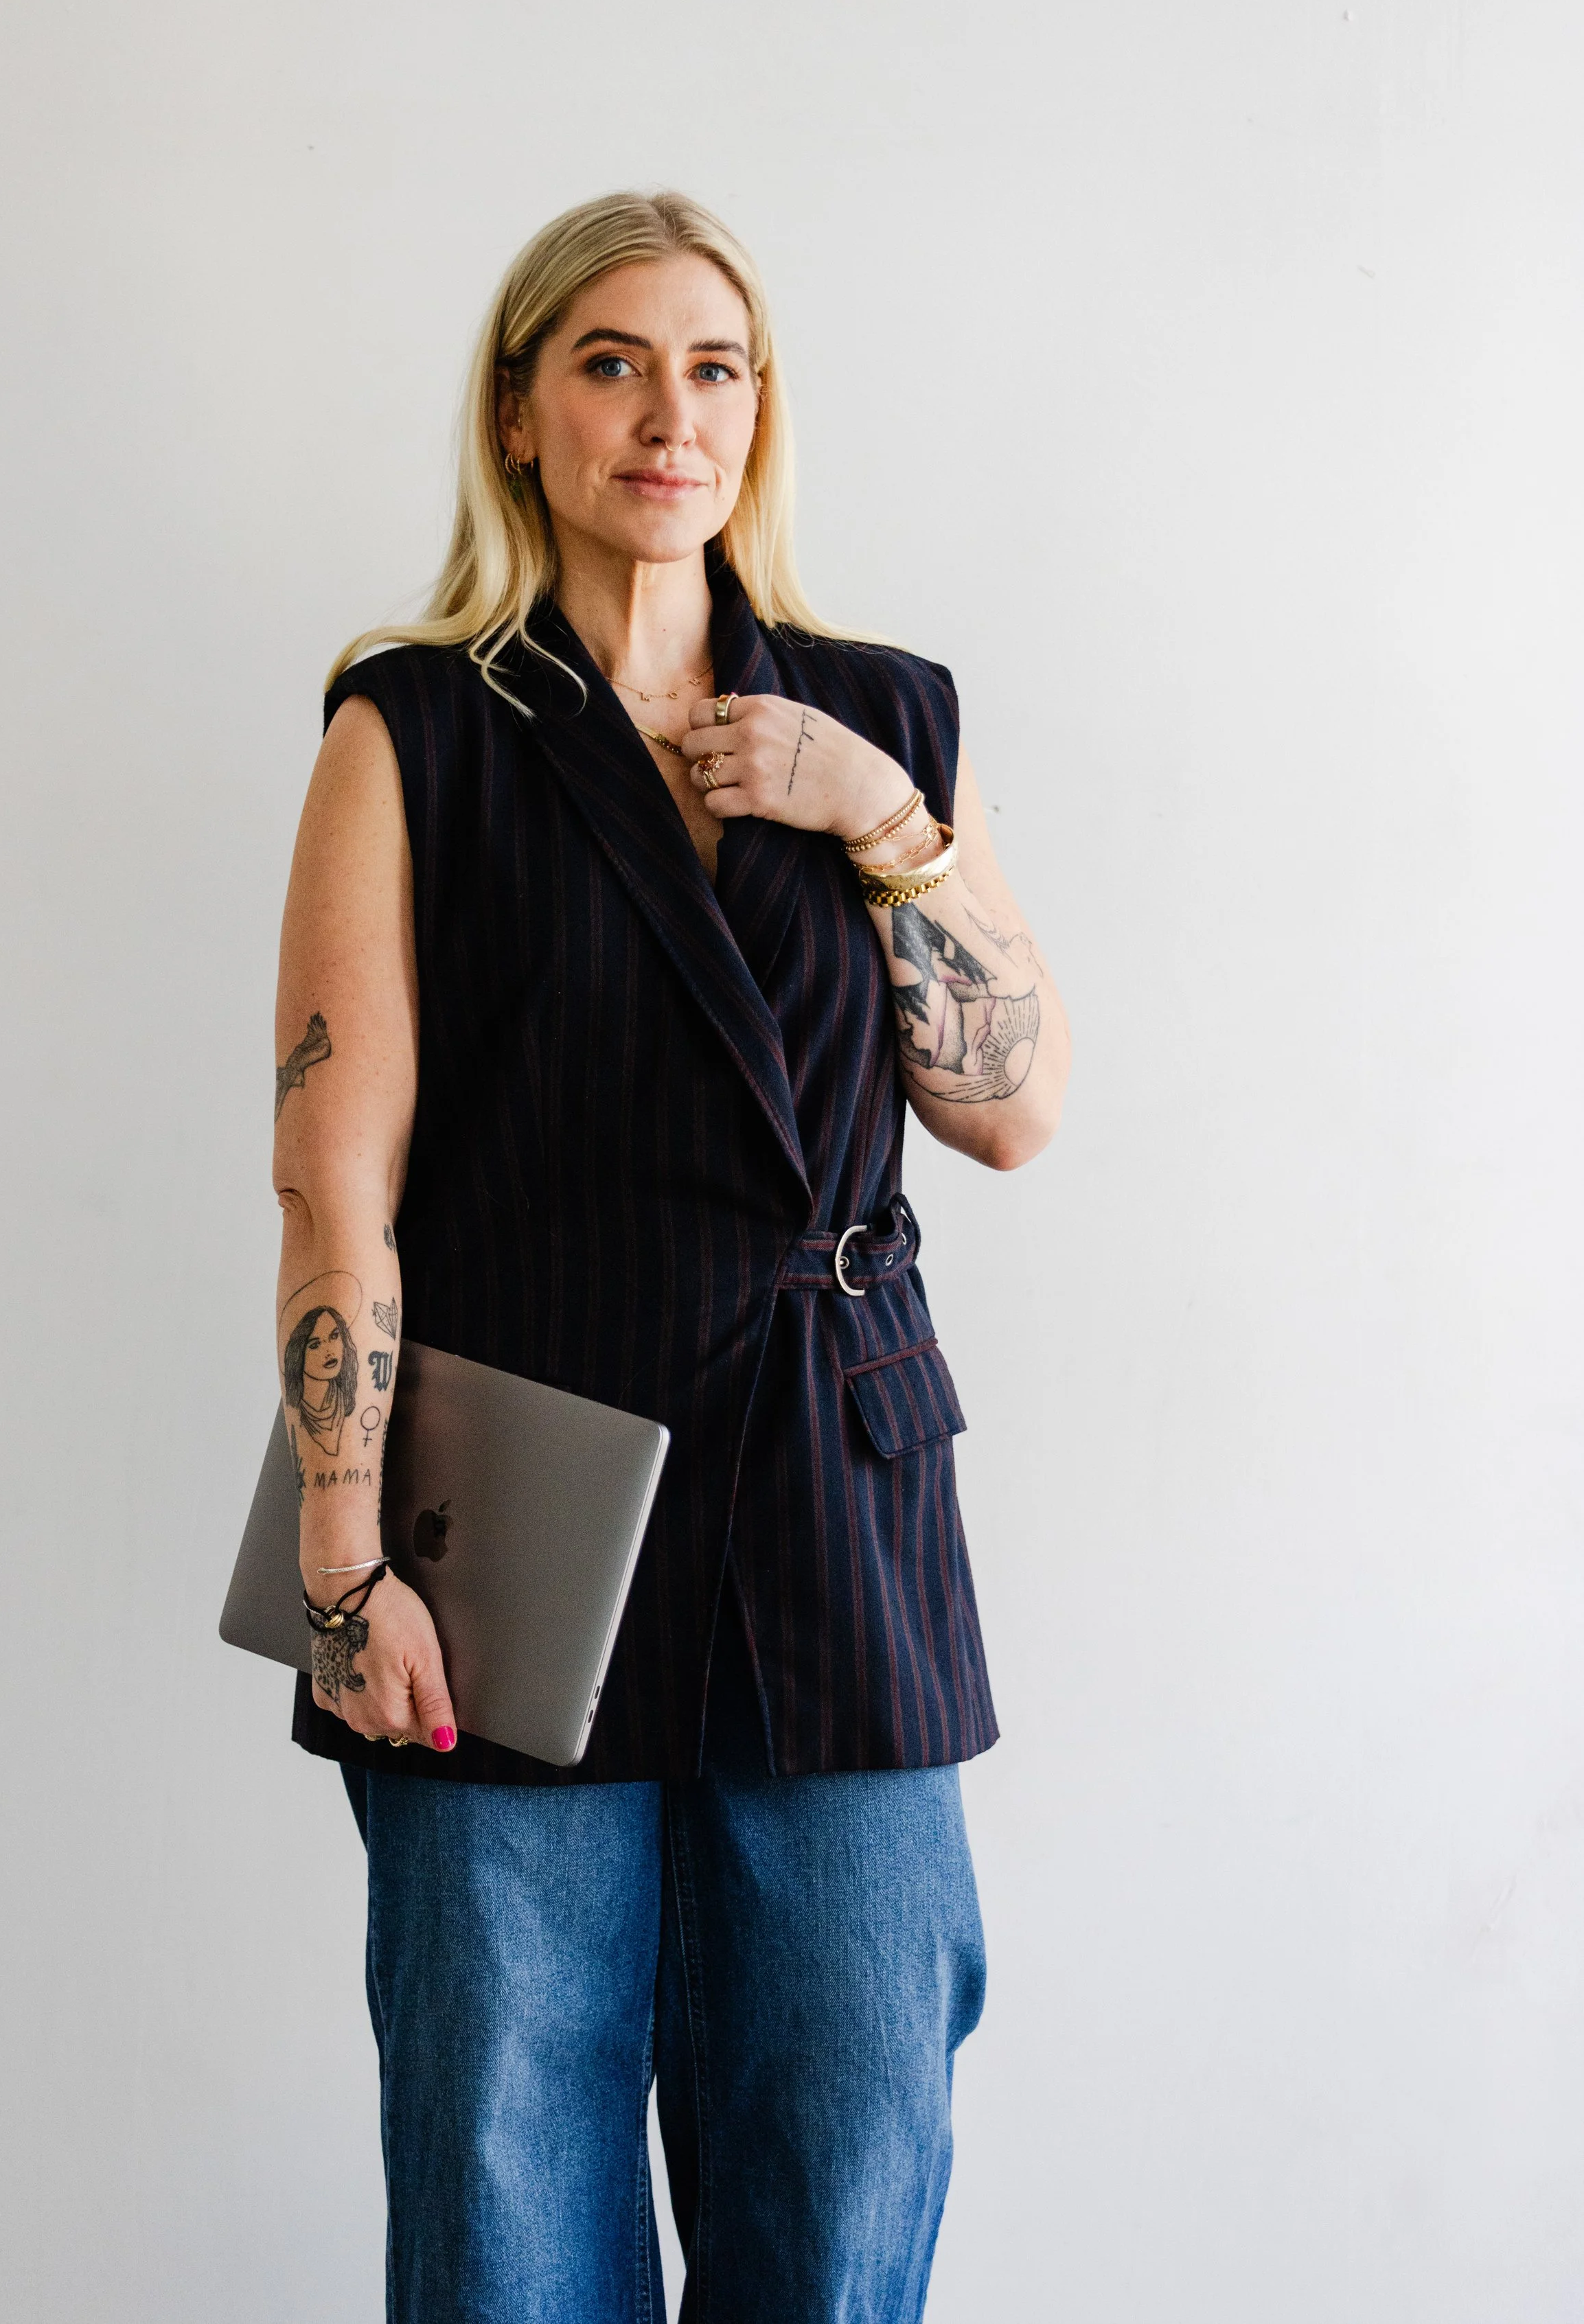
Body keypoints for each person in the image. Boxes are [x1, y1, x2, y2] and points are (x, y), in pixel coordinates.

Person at [271, 190, 1070, 2323]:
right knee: (502, 2136)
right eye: (611, 361)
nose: (667, 411)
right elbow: (333, 1180)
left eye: (713, 366)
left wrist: (875, 814)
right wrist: (345, 1566)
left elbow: (1009, 1108)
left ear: (760, 414)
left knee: (855, 2111)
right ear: (522, 411)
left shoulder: (881, 710)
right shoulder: (418, 726)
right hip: (514, 1511)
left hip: (835, 1482)